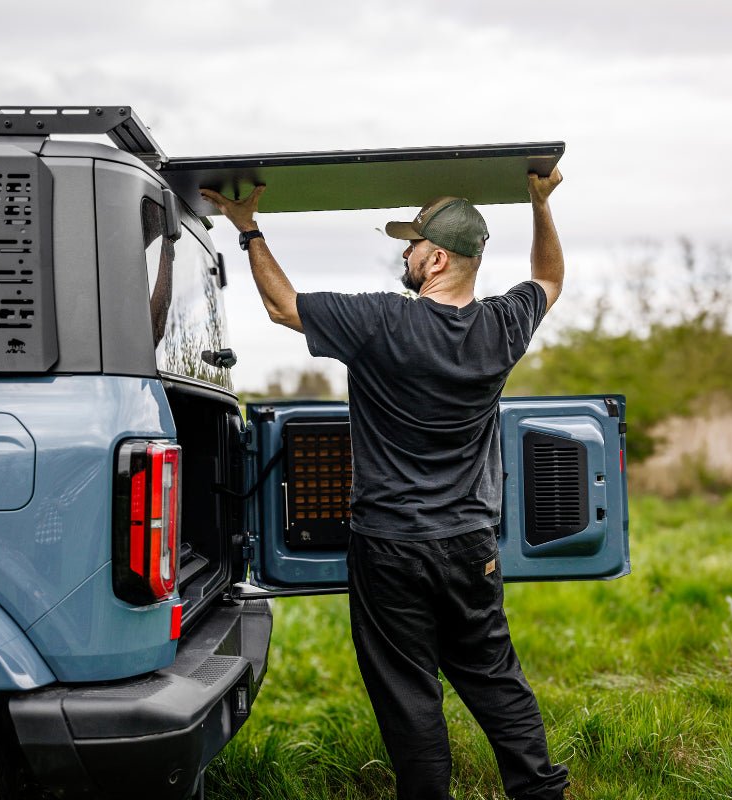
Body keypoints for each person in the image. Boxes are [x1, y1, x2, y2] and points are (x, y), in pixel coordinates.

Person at [201, 168, 569, 800]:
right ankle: (539, 792)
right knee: (493, 677)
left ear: (437, 258)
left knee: (408, 690)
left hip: (390, 545)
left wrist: (249, 229)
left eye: (411, 242)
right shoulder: (503, 327)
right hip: (469, 544)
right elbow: (550, 279)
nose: (403, 251)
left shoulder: (380, 324)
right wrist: (540, 205)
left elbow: (281, 306)